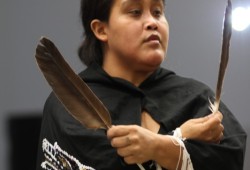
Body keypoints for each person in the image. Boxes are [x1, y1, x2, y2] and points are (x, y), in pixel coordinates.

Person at [36, 0, 247, 169]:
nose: (152, 22)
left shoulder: (196, 97)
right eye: (135, 11)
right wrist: (177, 140)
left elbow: (230, 156)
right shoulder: (67, 105)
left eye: (157, 12)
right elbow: (103, 161)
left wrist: (158, 147)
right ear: (101, 30)